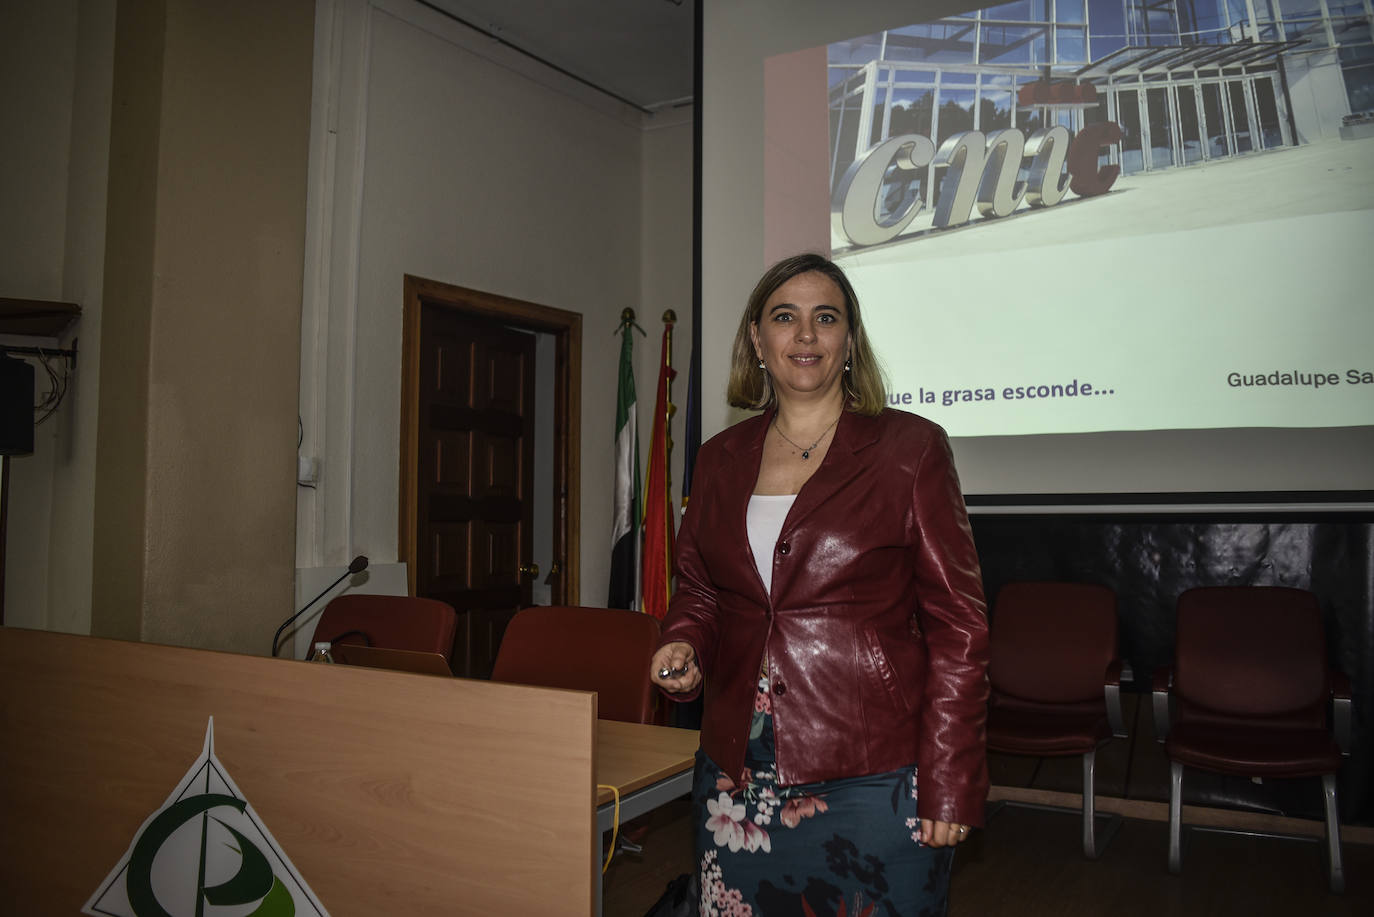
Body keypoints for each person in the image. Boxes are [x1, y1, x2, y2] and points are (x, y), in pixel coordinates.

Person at [650, 253, 989, 917]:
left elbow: (960, 626)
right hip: (736, 771)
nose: (805, 335)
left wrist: (950, 777)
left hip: (879, 774)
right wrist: (683, 641)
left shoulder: (910, 449)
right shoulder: (720, 458)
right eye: (785, 317)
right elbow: (699, 588)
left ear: (848, 341)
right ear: (757, 338)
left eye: (824, 318)